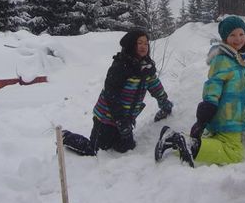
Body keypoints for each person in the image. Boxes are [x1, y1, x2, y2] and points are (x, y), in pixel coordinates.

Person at [154, 15, 245, 167]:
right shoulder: (223, 59)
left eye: (241, 34)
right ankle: (188, 144)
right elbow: (213, 86)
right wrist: (205, 114)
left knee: (214, 141)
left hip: (230, 114)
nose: (238, 39)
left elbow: (243, 84)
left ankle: (173, 138)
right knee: (234, 152)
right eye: (232, 35)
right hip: (228, 116)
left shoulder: (241, 58)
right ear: (225, 38)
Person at [62, 28, 173, 156]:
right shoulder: (120, 66)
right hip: (106, 117)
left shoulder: (147, 68)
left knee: (126, 147)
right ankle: (66, 137)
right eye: (139, 43)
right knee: (97, 150)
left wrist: (165, 104)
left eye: (146, 43)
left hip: (126, 119)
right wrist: (121, 121)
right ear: (132, 45)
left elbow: (156, 87)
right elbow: (111, 95)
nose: (144, 46)